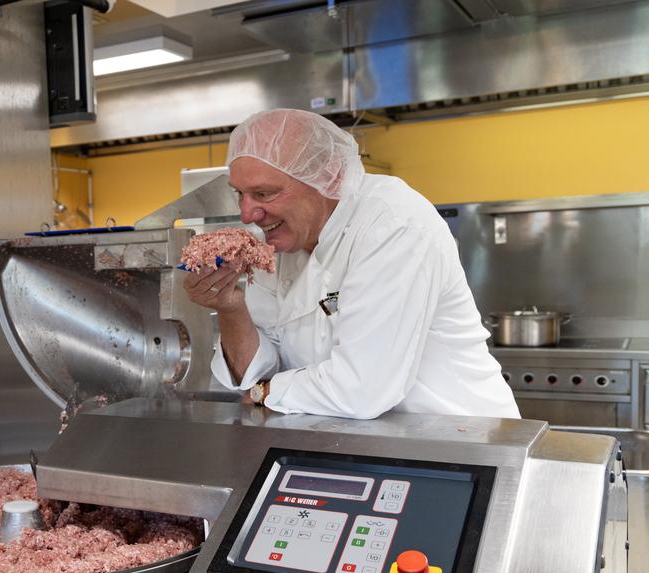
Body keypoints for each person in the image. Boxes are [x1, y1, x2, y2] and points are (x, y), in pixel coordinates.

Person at [185, 109, 518, 420]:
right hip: (358, 442)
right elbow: (254, 376)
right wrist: (230, 309)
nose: (248, 215)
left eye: (265, 193)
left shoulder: (391, 224)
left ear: (327, 178)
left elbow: (362, 387)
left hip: (462, 444)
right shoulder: (280, 242)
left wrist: (266, 392)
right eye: (240, 194)